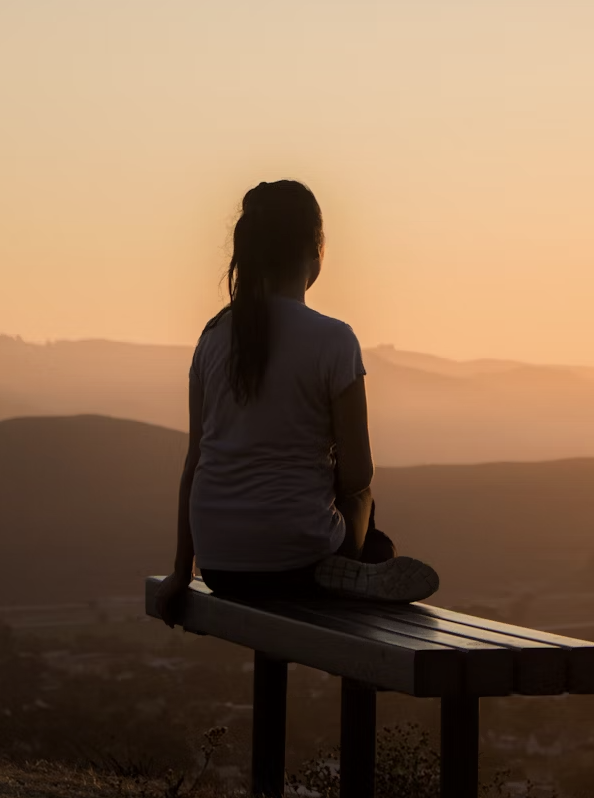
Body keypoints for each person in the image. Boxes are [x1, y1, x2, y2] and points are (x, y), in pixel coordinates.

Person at [155, 180, 438, 627]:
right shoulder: (333, 339)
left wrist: (180, 571)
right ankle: (353, 568)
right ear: (316, 248)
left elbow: (195, 462)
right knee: (369, 516)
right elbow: (357, 474)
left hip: (220, 566)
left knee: (349, 525)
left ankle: (345, 567)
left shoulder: (211, 337)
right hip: (297, 559)